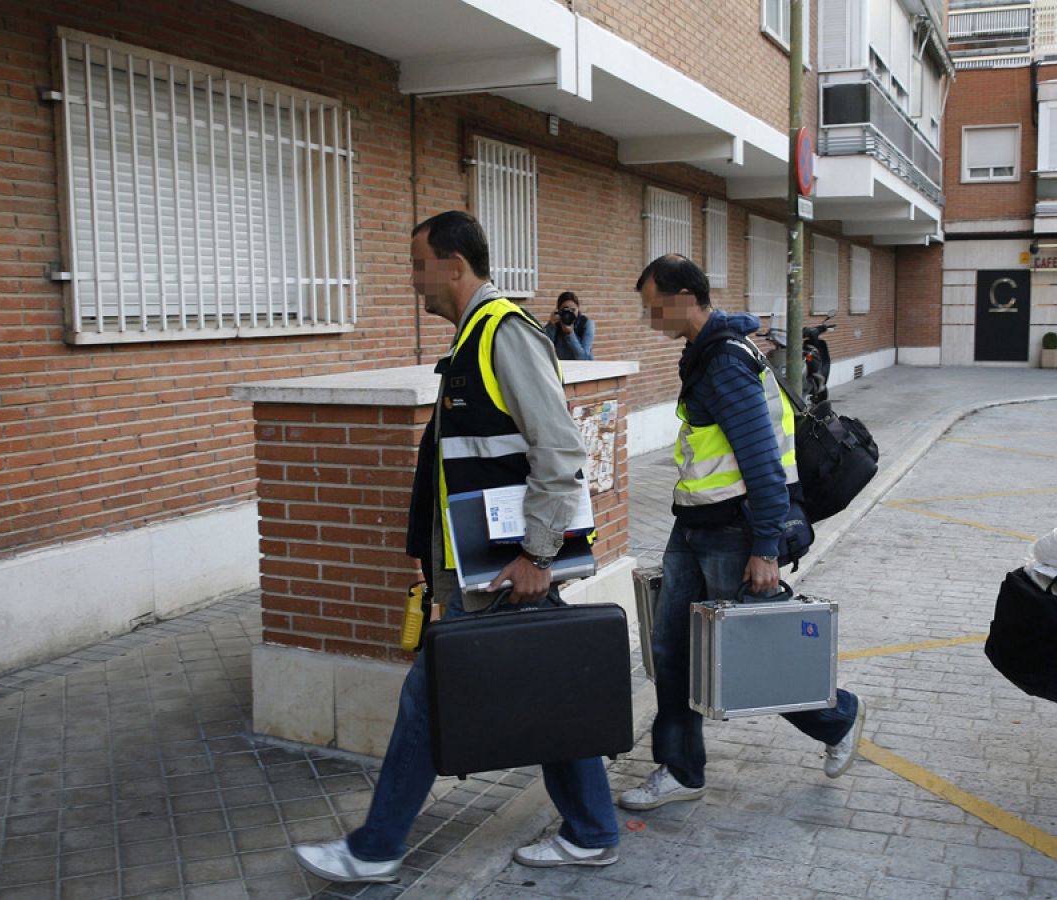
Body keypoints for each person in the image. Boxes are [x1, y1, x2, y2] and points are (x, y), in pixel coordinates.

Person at [293, 211, 620, 882]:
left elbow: (559, 451)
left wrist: (536, 554)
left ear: (453, 266)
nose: (414, 281)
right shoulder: (473, 342)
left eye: (418, 265)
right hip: (485, 572)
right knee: (548, 692)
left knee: (428, 703)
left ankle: (375, 848)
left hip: (504, 573)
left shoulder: (503, 336)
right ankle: (591, 829)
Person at [619, 254, 865, 813]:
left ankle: (839, 716)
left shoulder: (725, 361)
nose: (648, 316)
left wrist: (765, 546)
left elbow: (762, 459)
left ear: (683, 296)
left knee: (756, 649)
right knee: (673, 650)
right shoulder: (706, 353)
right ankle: (681, 769)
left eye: (653, 305)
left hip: (736, 529)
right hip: (695, 523)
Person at [545, 291, 595, 360]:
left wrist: (570, 334)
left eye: (573, 310)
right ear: (558, 310)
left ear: (578, 309)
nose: (569, 314)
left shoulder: (586, 324)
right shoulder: (555, 324)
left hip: (583, 369)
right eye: (565, 310)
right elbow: (544, 350)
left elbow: (583, 358)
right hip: (562, 368)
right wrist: (551, 325)